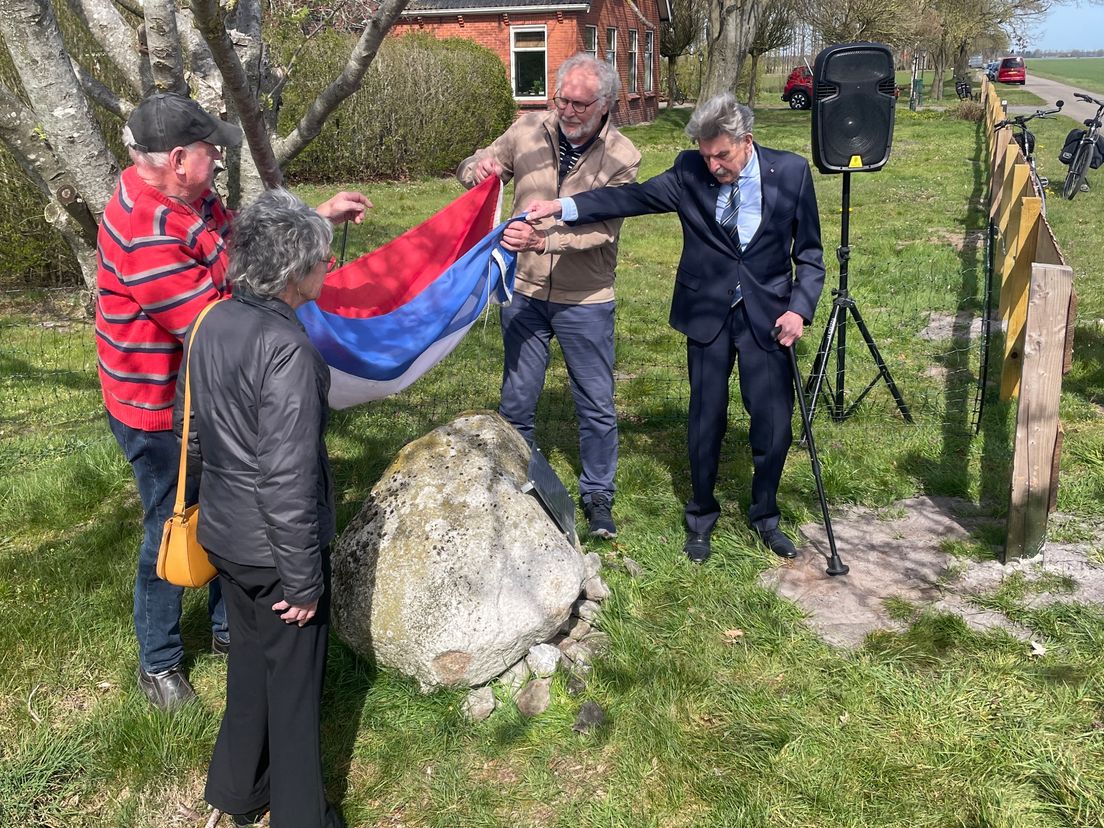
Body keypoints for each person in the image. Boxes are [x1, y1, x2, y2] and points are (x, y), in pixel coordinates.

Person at [95, 91, 368, 711]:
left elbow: (238, 250)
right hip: (160, 406)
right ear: (177, 158)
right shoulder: (148, 230)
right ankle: (159, 661)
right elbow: (219, 330)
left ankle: (227, 629)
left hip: (204, 397)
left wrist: (313, 222)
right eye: (211, 151)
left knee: (220, 502)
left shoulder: (189, 199)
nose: (219, 160)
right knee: (172, 519)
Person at [524, 93, 825, 564]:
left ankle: (765, 515)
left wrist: (800, 310)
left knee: (773, 425)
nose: (714, 165)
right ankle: (701, 517)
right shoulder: (689, 172)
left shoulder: (790, 173)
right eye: (706, 155)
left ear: (747, 141)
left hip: (769, 318)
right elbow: (632, 197)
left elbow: (809, 255)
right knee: (706, 421)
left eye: (722, 155)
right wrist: (564, 207)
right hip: (706, 313)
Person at [177, 189, 343, 828]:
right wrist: (304, 579)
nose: (329, 270)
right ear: (296, 270)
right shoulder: (288, 351)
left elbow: (189, 434)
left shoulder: (210, 321)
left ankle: (238, 792)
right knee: (295, 695)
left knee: (248, 672)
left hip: (225, 536)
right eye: (323, 261)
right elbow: (287, 477)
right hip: (278, 555)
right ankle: (304, 816)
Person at [456, 53, 641, 539]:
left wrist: (545, 241)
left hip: (587, 298)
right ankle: (516, 488)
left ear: (604, 104)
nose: (569, 110)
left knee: (595, 404)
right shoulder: (527, 129)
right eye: (562, 99)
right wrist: (478, 168)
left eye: (580, 103)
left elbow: (604, 231)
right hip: (525, 292)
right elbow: (471, 166)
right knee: (517, 400)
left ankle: (598, 496)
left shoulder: (624, 157)